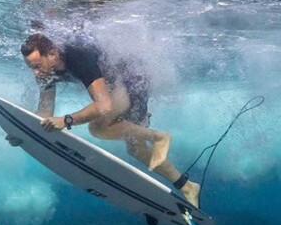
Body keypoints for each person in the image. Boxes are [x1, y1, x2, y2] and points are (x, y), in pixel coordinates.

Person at [19, 32, 199, 207]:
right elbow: (44, 112)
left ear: (52, 53)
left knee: (98, 127)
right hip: (116, 86)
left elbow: (103, 105)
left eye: (37, 66)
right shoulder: (45, 73)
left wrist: (66, 120)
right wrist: (24, 134)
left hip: (132, 77)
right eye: (31, 68)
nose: (36, 73)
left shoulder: (77, 55)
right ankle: (188, 187)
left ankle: (158, 137)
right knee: (136, 149)